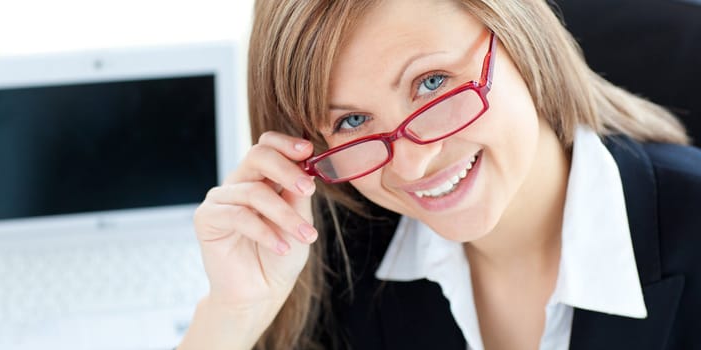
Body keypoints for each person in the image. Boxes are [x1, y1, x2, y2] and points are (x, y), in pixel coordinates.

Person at [178, 0, 701, 349]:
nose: (411, 164)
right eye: (352, 121)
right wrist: (232, 316)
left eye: (431, 83)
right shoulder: (335, 264)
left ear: (520, 37)